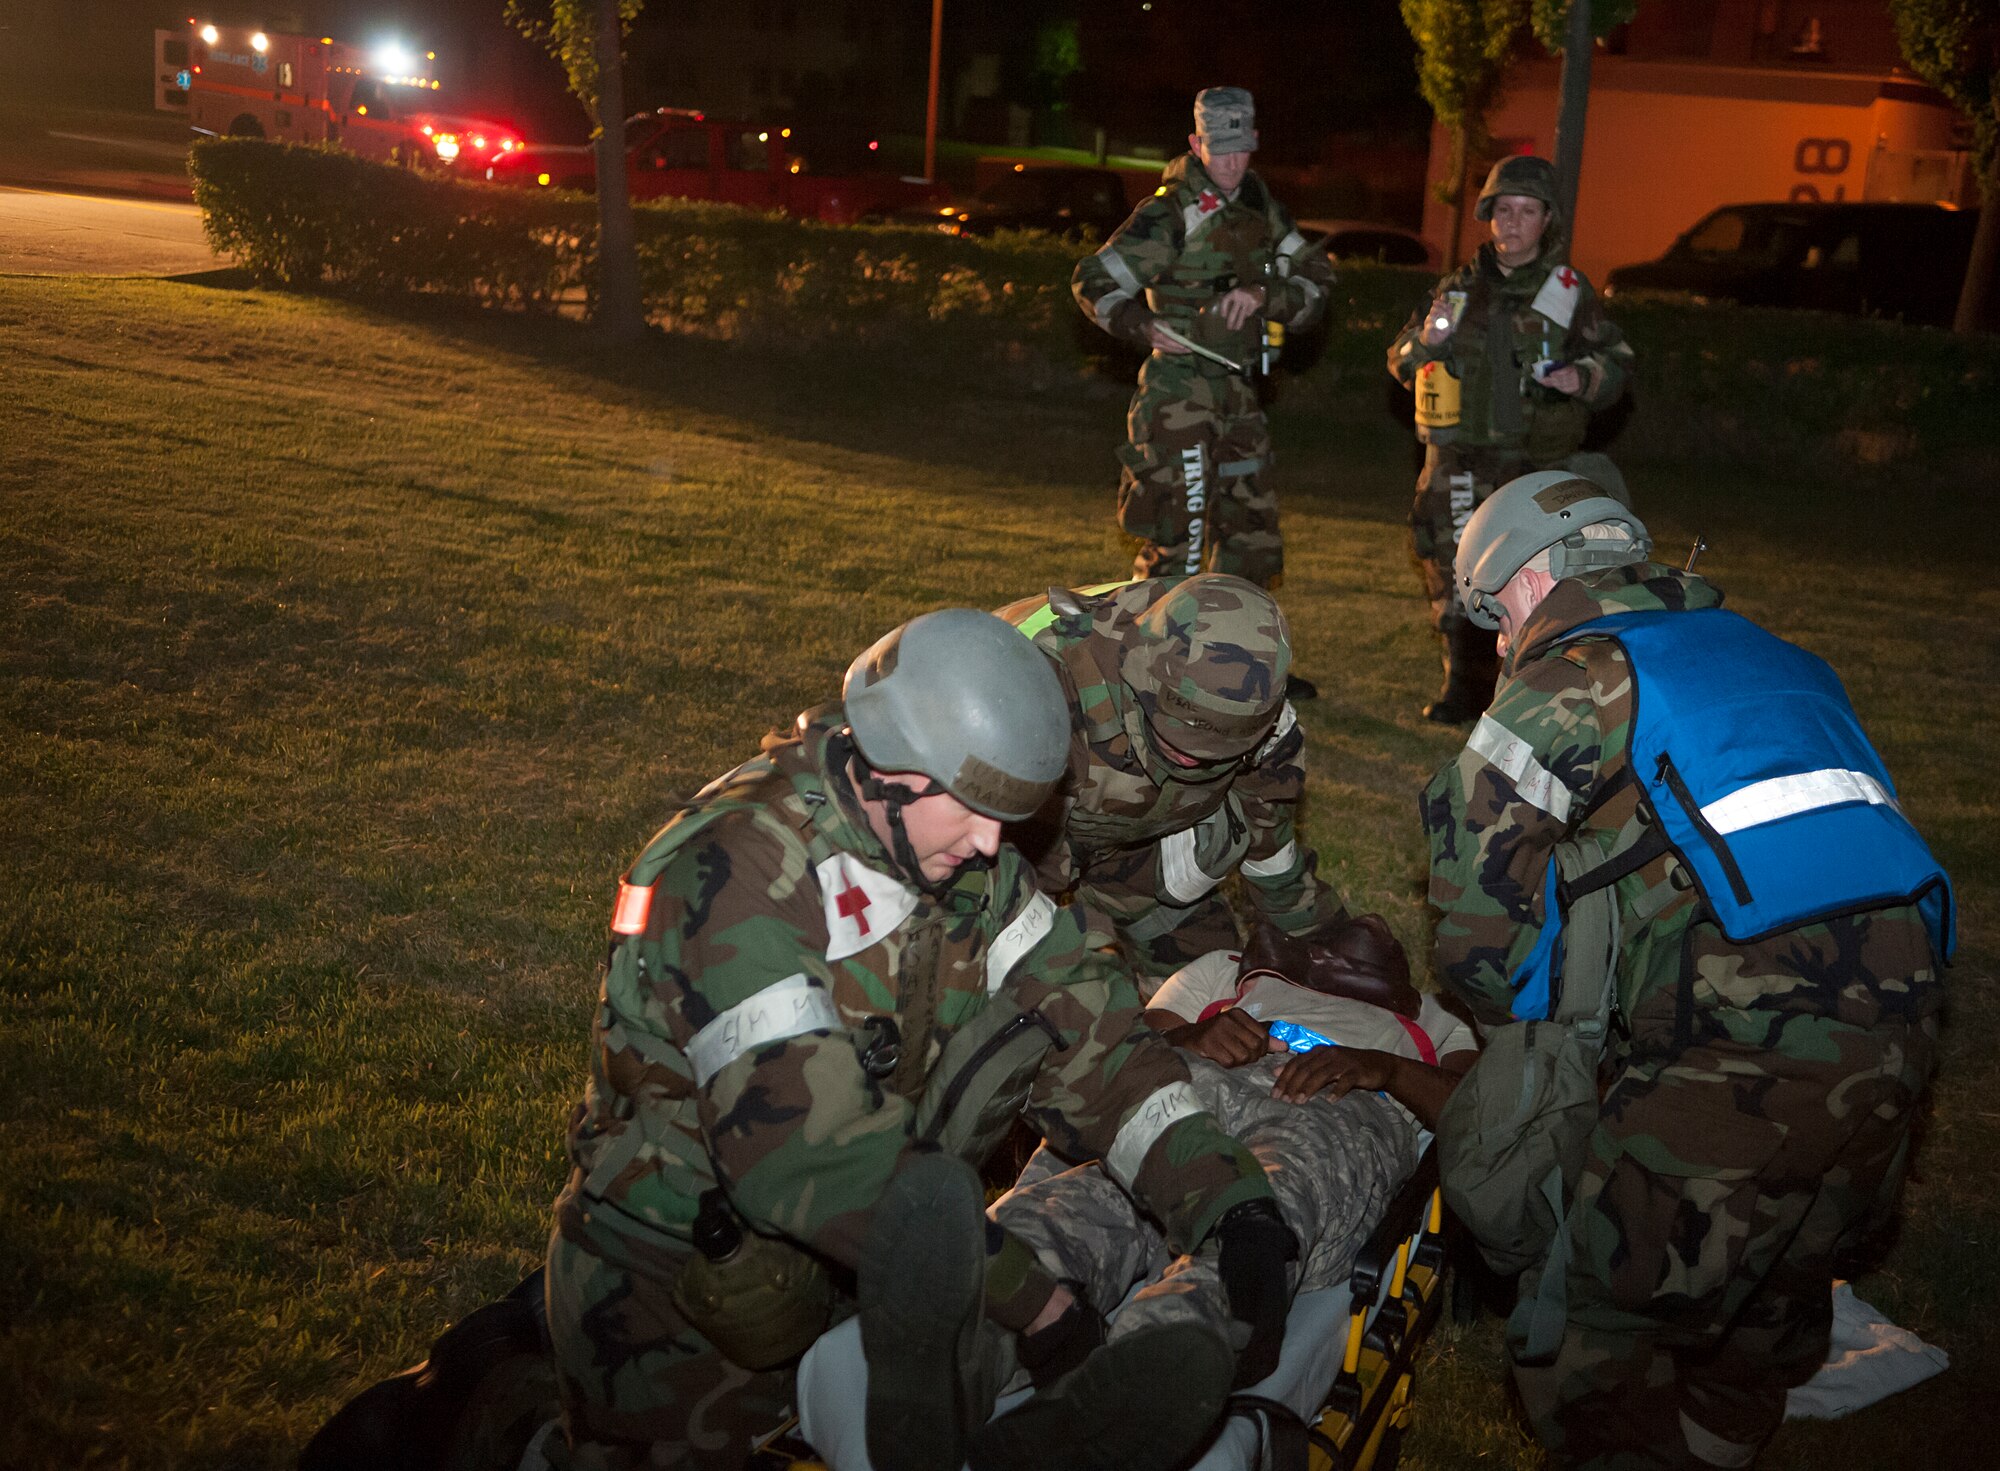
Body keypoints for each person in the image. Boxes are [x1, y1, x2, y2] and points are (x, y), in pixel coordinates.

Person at [542, 608, 1298, 1471]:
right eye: (977, 809)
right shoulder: (735, 875)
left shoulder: (968, 860)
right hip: (671, 1300)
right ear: (892, 765)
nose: (993, 843)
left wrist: (1232, 1203)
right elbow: (812, 1158)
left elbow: (1097, 1043)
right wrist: (1037, 1303)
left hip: (867, 1268)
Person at [1423, 471, 1953, 1469]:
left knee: (1589, 1326)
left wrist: (1554, 1040)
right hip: (1902, 1020)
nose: (1496, 643)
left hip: (1744, 1045)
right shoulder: (1778, 655)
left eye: (1493, 615)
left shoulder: (1570, 676)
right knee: (1772, 1288)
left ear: (1529, 579)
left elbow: (1472, 922)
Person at [989, 916, 1475, 1396]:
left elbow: (1473, 1112)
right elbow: (1117, 1058)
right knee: (1089, 1194)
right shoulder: (1227, 969)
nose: (1372, 921)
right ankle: (972, 1337)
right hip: (1190, 1088)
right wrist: (1190, 1038)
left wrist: (1387, 1069)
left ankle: (1150, 1377)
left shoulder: (1439, 1017)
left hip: (1334, 1111)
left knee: (1271, 1208)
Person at [996, 573, 1354, 992]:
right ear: (1140, 672)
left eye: (1217, 744)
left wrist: (1334, 949)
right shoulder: (1042, 695)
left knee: (1210, 989)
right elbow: (1004, 881)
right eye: (1179, 730)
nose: (1194, 754)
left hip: (1131, 833)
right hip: (1013, 835)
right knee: (1041, 1006)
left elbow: (1271, 853)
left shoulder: (1266, 726)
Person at [1386, 154, 1635, 725]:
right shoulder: (1454, 290)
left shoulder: (1568, 293)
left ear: (1547, 219)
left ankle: (1532, 685)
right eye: (1504, 210)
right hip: (1457, 458)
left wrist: (1586, 377)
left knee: (1538, 574)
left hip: (1535, 461)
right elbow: (1401, 359)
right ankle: (1463, 684)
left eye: (1527, 211)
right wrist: (1424, 343)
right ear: (1488, 216)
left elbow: (1618, 361)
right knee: (1450, 567)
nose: (1514, 222)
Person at [1071, 87, 1333, 627]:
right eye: (1220, 150)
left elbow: (1317, 279)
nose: (1233, 163)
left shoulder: (1261, 207)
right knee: (1178, 541)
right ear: (1195, 143)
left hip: (1241, 394)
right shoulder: (1169, 213)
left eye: (1242, 149)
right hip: (1177, 397)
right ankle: (1147, 659)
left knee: (1252, 540)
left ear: (1255, 140)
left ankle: (1239, 662)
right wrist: (1143, 324)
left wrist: (1264, 296)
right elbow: (1091, 281)